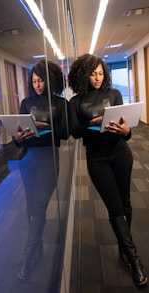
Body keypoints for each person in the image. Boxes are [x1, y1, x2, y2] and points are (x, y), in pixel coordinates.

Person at [68, 53, 147, 287]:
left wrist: (125, 131)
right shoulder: (75, 102)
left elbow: (127, 129)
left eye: (101, 73)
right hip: (97, 158)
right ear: (83, 75)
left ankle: (124, 247)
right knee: (114, 208)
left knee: (126, 202)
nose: (98, 78)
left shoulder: (114, 94)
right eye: (93, 74)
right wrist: (92, 123)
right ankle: (135, 260)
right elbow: (74, 132)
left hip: (121, 152)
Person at [14, 60, 68, 281]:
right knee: (32, 206)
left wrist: (46, 126)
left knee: (39, 205)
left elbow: (65, 134)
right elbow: (19, 137)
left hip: (49, 159)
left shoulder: (60, 103)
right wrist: (17, 138)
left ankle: (27, 258)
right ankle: (37, 246)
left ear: (49, 79)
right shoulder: (26, 103)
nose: (37, 84)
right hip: (28, 159)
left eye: (41, 80)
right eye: (34, 81)